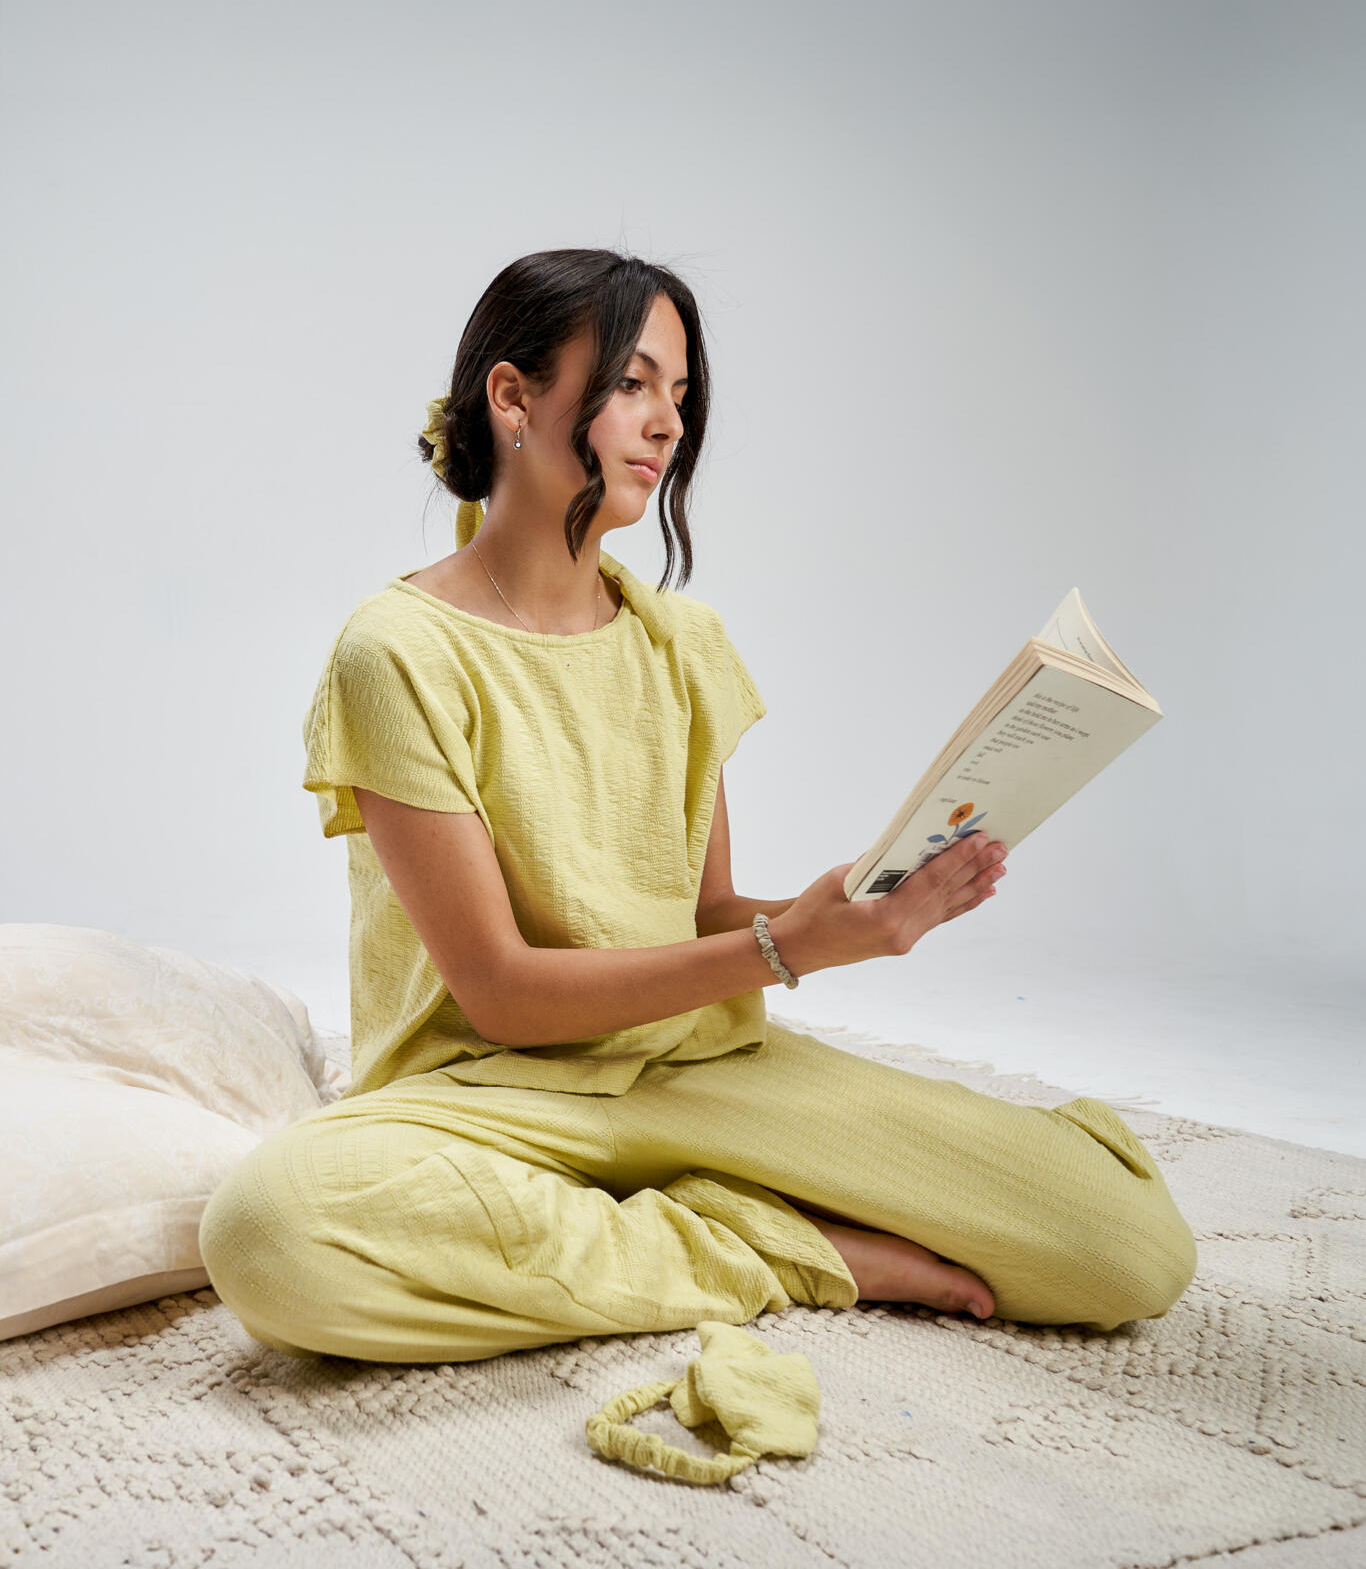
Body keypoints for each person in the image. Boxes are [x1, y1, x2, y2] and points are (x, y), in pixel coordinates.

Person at [198, 247, 1197, 1365]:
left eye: (679, 392)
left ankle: (667, 1210)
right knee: (271, 1230)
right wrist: (785, 949)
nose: (668, 423)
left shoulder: (681, 642)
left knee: (1131, 1247)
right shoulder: (396, 654)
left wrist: (854, 913)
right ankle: (771, 1245)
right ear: (513, 398)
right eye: (632, 383)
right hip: (488, 1101)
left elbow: (705, 913)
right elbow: (503, 992)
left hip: (696, 1069)